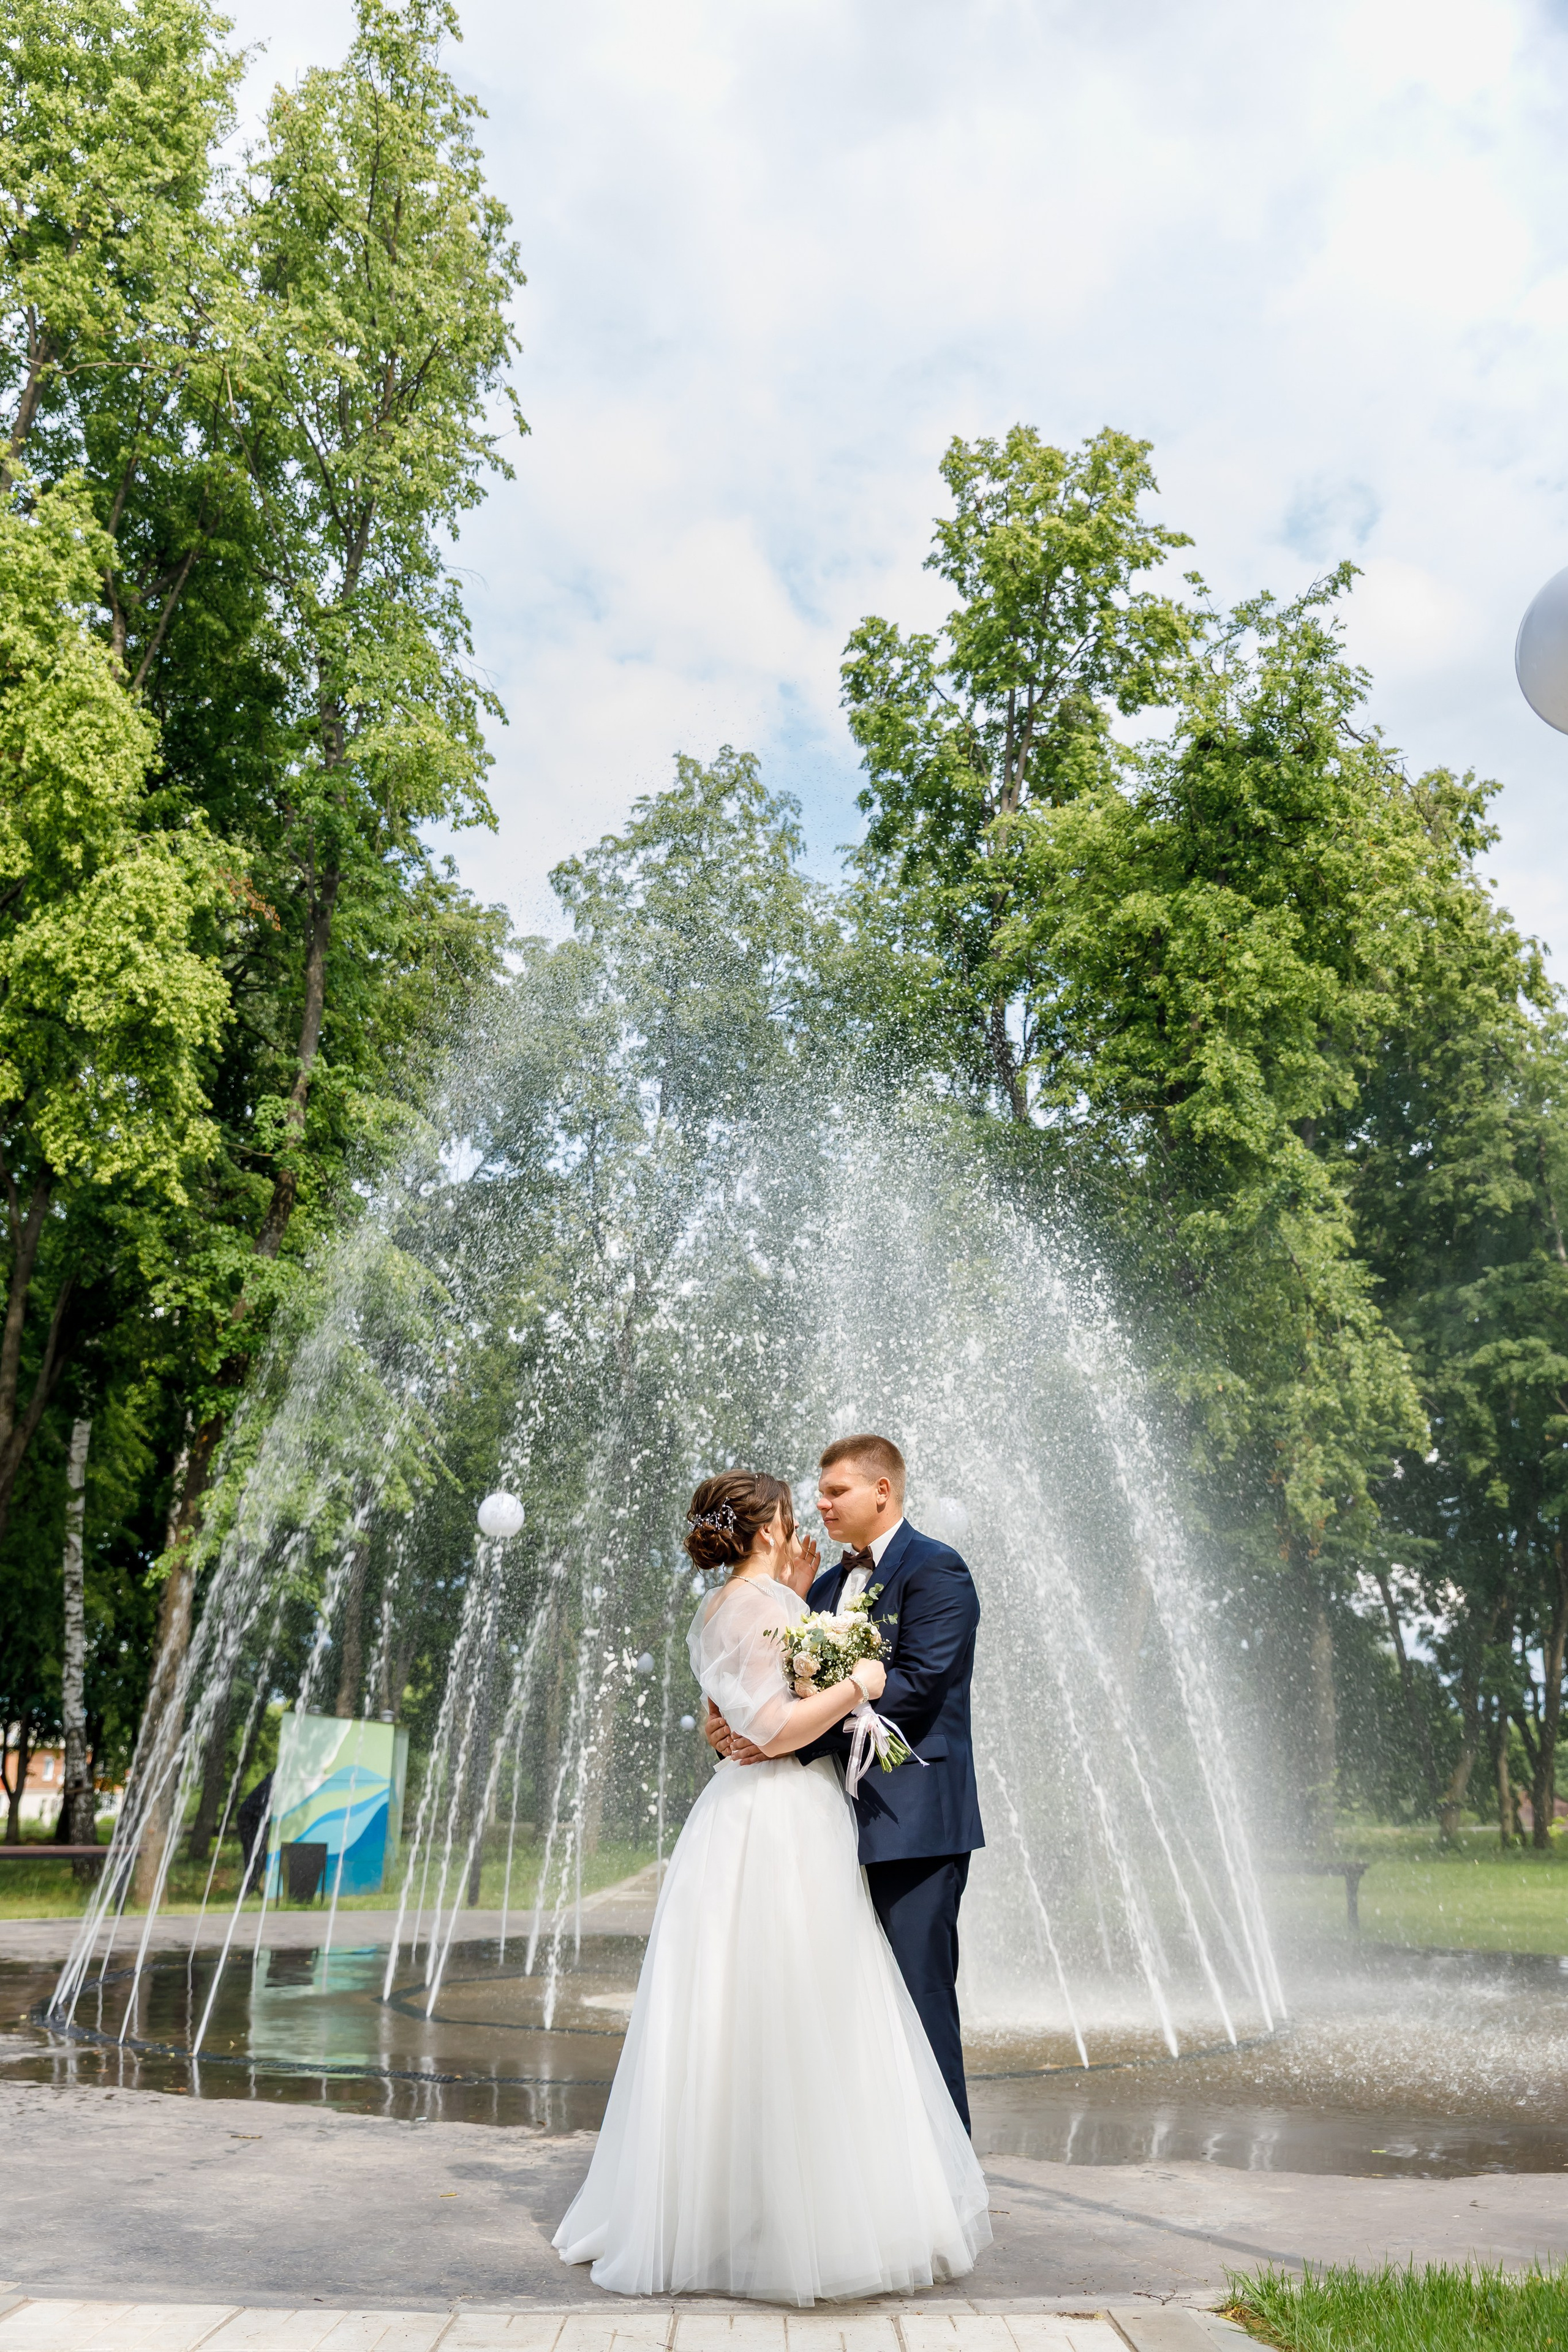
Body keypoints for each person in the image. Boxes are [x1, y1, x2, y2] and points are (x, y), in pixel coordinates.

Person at [552, 1468, 990, 2305]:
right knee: (801, 2007)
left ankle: (758, 2200)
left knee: (754, 2008)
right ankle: (810, 2216)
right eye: (797, 1508)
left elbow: (796, 1698)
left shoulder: (769, 1599)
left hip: (775, 1816)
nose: (809, 1520)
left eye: (829, 1494)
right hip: (784, 1822)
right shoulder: (775, 1605)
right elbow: (772, 1722)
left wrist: (761, 1696)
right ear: (765, 1529)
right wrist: (853, 1683)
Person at [707, 1434, 982, 2130]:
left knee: (917, 1999)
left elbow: (917, 1688)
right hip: (820, 1823)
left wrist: (775, 1739)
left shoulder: (937, 1571)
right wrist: (732, 1727)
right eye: (818, 1494)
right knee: (838, 2009)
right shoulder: (824, 1587)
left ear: (881, 1491)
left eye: (836, 1493)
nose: (821, 1506)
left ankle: (947, 2185)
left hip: (910, 1824)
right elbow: (768, 1679)